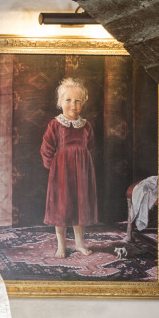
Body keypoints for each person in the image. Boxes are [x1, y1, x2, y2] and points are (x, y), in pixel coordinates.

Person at [40, 77, 98, 258]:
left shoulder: (86, 125)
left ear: (83, 103)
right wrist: (55, 169)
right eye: (68, 100)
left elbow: (90, 147)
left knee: (79, 208)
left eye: (77, 101)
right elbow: (46, 148)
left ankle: (80, 243)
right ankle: (61, 246)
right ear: (60, 102)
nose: (73, 104)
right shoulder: (55, 125)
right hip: (62, 174)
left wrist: (84, 165)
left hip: (82, 173)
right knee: (62, 208)